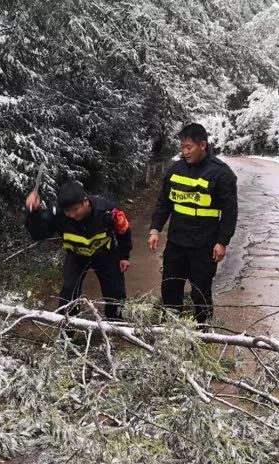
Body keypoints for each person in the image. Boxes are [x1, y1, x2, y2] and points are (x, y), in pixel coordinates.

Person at [147, 123, 238, 323]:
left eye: (189, 147)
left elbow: (230, 212)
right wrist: (155, 229)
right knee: (170, 288)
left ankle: (202, 332)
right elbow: (164, 203)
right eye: (182, 147)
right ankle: (171, 328)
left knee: (200, 292)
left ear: (203, 145)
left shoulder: (222, 174)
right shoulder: (176, 170)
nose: (184, 151)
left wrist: (222, 242)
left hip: (204, 246)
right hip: (177, 243)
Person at [25, 180, 131, 320]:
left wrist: (124, 256)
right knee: (69, 291)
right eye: (68, 212)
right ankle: (67, 331)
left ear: (85, 201)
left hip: (104, 254)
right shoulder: (58, 213)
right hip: (76, 255)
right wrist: (33, 212)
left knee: (115, 291)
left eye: (75, 210)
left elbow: (123, 231)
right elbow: (39, 234)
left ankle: (117, 325)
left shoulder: (107, 210)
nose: (72, 215)